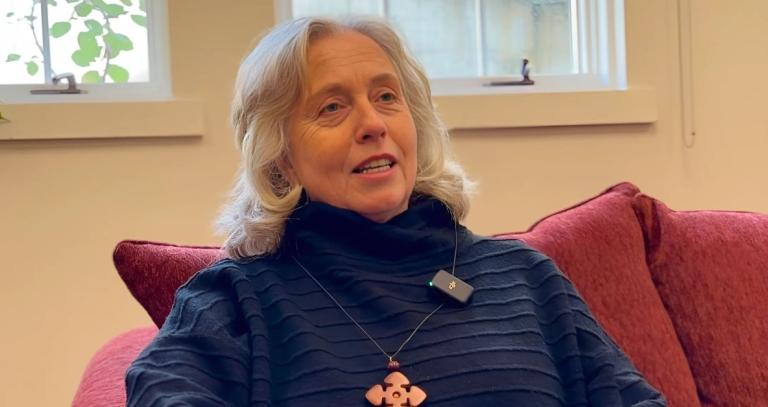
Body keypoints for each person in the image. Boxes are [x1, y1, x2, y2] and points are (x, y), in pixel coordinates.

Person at [126, 16, 666, 407]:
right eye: (332, 107)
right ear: (281, 159)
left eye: (387, 97)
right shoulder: (236, 299)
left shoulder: (524, 278)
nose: (372, 123)